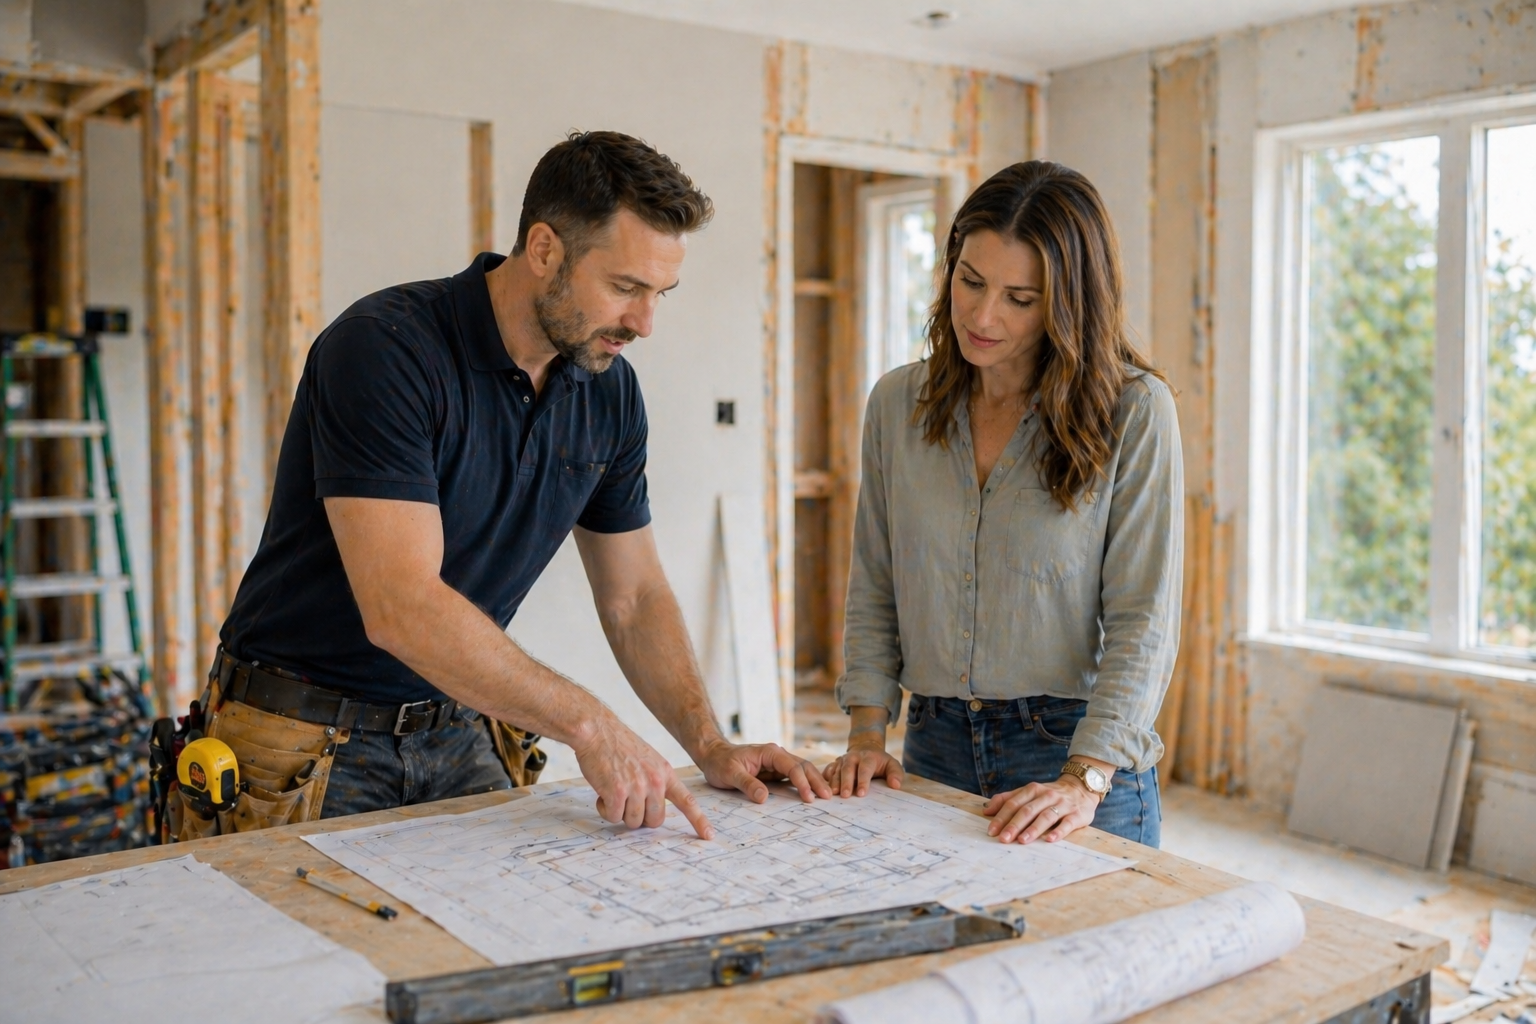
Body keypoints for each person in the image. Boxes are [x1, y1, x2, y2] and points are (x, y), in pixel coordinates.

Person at [171, 130, 829, 842]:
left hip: (460, 726)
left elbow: (634, 597)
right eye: (625, 288)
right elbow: (401, 606)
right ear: (544, 250)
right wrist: (590, 723)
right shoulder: (385, 349)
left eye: (660, 293)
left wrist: (709, 744)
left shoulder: (608, 392)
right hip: (298, 739)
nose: (644, 323)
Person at [823, 160, 1182, 848]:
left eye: (1021, 298)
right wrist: (867, 732)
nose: (983, 316)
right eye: (971, 281)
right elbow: (875, 578)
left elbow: (1146, 618)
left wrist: (1085, 780)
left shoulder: (1134, 411)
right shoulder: (897, 403)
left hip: (1073, 755)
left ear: (1069, 301)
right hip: (934, 746)